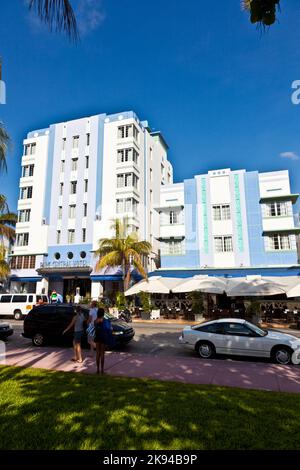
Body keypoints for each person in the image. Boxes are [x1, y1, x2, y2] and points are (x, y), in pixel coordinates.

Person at [94, 307, 113, 375]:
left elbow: (95, 329)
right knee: (102, 354)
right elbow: (109, 329)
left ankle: (97, 370)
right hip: (103, 337)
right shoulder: (105, 320)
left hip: (97, 337)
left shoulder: (95, 320)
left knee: (97, 353)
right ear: (103, 313)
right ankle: (102, 370)